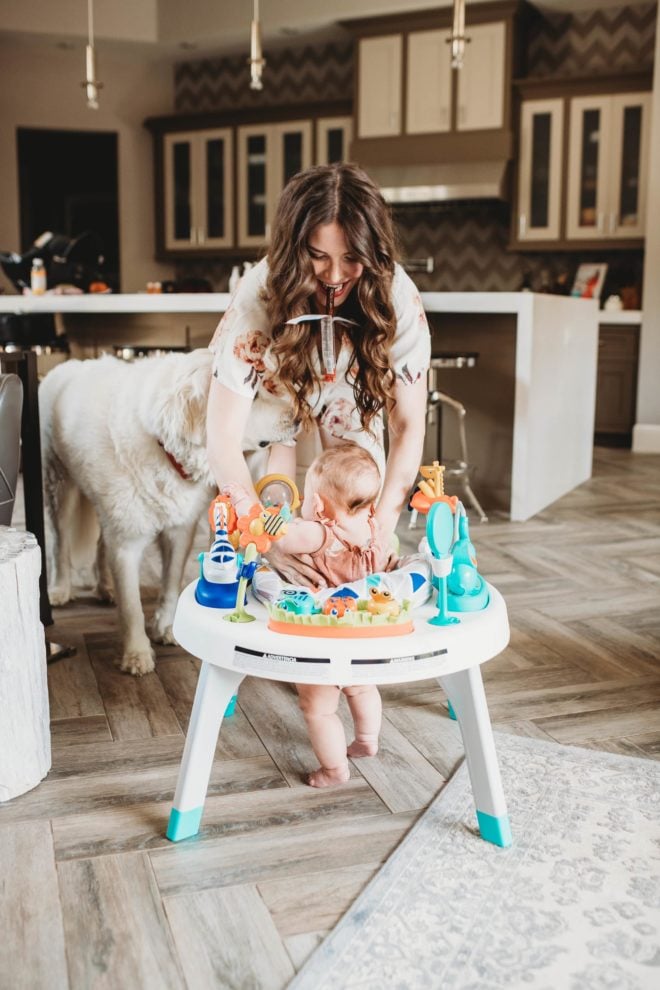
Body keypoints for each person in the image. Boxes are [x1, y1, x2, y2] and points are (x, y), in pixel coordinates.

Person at [206, 161, 431, 587]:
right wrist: (261, 536)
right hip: (272, 433)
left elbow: (408, 426)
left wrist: (381, 527)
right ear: (295, 249)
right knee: (269, 579)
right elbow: (222, 437)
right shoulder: (259, 294)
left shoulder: (396, 295)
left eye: (352, 258)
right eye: (318, 256)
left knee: (353, 569)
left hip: (352, 428)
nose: (334, 276)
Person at [223, 443, 396, 787]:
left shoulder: (320, 533)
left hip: (323, 636)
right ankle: (367, 739)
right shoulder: (374, 529)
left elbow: (279, 537)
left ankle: (333, 770)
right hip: (361, 633)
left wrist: (243, 502)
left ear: (317, 505)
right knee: (361, 688)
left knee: (318, 708)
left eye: (305, 498)